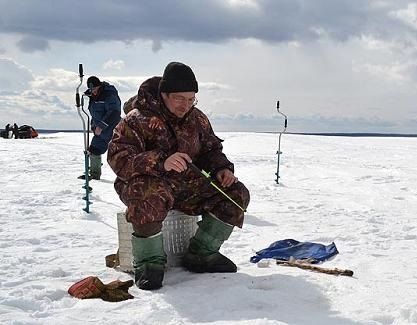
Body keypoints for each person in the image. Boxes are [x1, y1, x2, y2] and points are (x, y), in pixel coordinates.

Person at [107, 62, 250, 290]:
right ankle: (149, 263)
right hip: (147, 184)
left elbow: (211, 150)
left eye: (191, 99)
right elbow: (118, 158)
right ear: (164, 94)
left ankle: (201, 254)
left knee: (235, 193)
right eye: (179, 98)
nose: (186, 105)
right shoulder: (136, 119)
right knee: (148, 193)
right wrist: (161, 161)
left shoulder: (198, 119)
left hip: (187, 186)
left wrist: (222, 169)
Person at [79, 76, 121, 180]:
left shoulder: (109, 94)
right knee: (94, 149)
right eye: (91, 90)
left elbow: (114, 112)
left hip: (114, 129)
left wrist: (101, 126)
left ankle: (126, 178)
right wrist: (94, 126)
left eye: (95, 89)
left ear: (99, 86)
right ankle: (94, 176)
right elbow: (95, 115)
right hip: (100, 132)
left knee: (120, 154)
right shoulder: (92, 96)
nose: (93, 92)